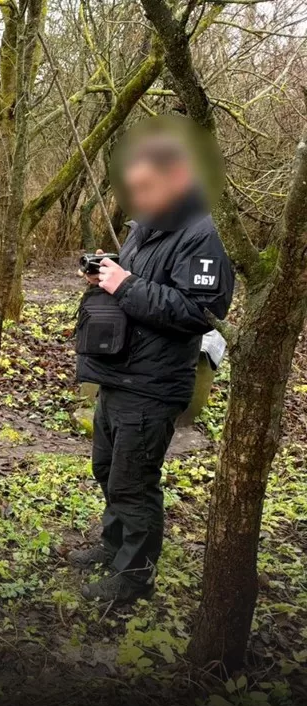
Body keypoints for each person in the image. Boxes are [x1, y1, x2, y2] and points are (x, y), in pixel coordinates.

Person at [70, 129, 234, 603]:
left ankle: (134, 578)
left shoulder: (203, 234)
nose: (137, 198)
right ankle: (114, 545)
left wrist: (123, 285)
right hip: (120, 372)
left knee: (133, 482)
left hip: (155, 382)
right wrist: (107, 269)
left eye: (147, 188)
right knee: (107, 468)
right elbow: (139, 276)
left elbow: (199, 312)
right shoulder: (148, 222)